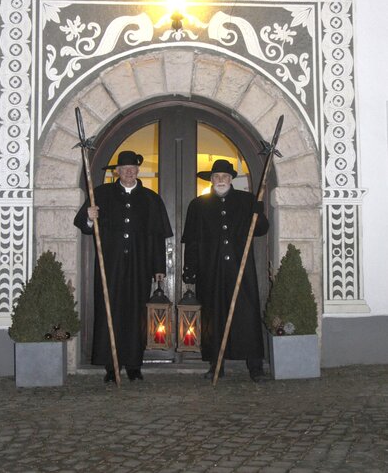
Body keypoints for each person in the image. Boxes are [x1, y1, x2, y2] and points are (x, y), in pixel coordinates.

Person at [74, 150, 173, 383]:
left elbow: (158, 235)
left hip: (140, 264)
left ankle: (134, 364)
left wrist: (159, 266)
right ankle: (111, 365)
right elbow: (84, 224)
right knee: (110, 310)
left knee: (136, 314)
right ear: (117, 171)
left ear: (138, 171)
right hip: (110, 263)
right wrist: (89, 216)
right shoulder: (101, 193)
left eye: (133, 169)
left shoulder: (151, 198)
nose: (129, 172)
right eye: (124, 169)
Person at [181, 159, 269, 382]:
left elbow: (261, 230)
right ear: (211, 179)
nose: (220, 180)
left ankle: (255, 366)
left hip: (241, 269)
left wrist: (258, 213)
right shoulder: (198, 205)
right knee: (213, 316)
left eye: (225, 177)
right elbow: (191, 240)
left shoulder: (247, 201)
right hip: (210, 270)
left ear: (231, 180)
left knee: (247, 315)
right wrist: (190, 268)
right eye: (216, 176)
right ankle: (216, 365)